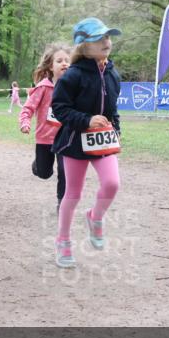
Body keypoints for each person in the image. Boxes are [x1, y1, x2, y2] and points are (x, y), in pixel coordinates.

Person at [51, 17, 122, 268]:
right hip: (74, 143)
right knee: (73, 194)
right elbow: (59, 108)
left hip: (103, 143)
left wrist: (116, 132)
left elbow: (113, 111)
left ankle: (95, 217)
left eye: (108, 37)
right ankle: (63, 241)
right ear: (83, 45)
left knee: (112, 184)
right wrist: (86, 120)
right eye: (99, 38)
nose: (106, 41)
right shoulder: (72, 76)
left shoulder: (113, 74)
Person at [21, 43, 71, 211]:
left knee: (65, 172)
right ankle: (37, 165)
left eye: (67, 60)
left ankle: (61, 203)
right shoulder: (43, 87)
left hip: (65, 138)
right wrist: (25, 122)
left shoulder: (73, 87)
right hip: (45, 138)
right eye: (59, 61)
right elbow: (28, 108)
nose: (64, 63)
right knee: (44, 173)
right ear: (51, 66)